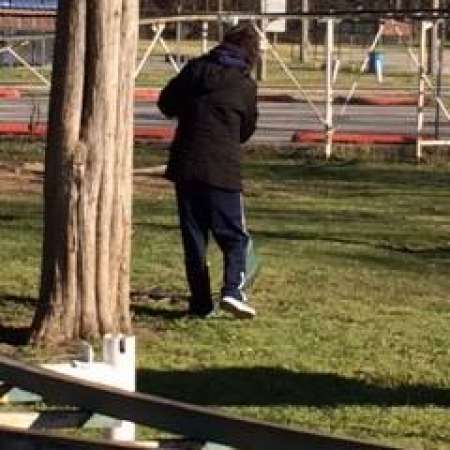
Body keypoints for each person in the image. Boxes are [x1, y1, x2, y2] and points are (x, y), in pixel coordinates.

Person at [157, 24, 259, 319]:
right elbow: (246, 129)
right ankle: (232, 291)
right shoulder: (244, 85)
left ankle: (200, 302)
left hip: (185, 165)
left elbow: (166, 102)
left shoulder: (195, 70)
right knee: (235, 237)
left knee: (194, 238)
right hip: (222, 169)